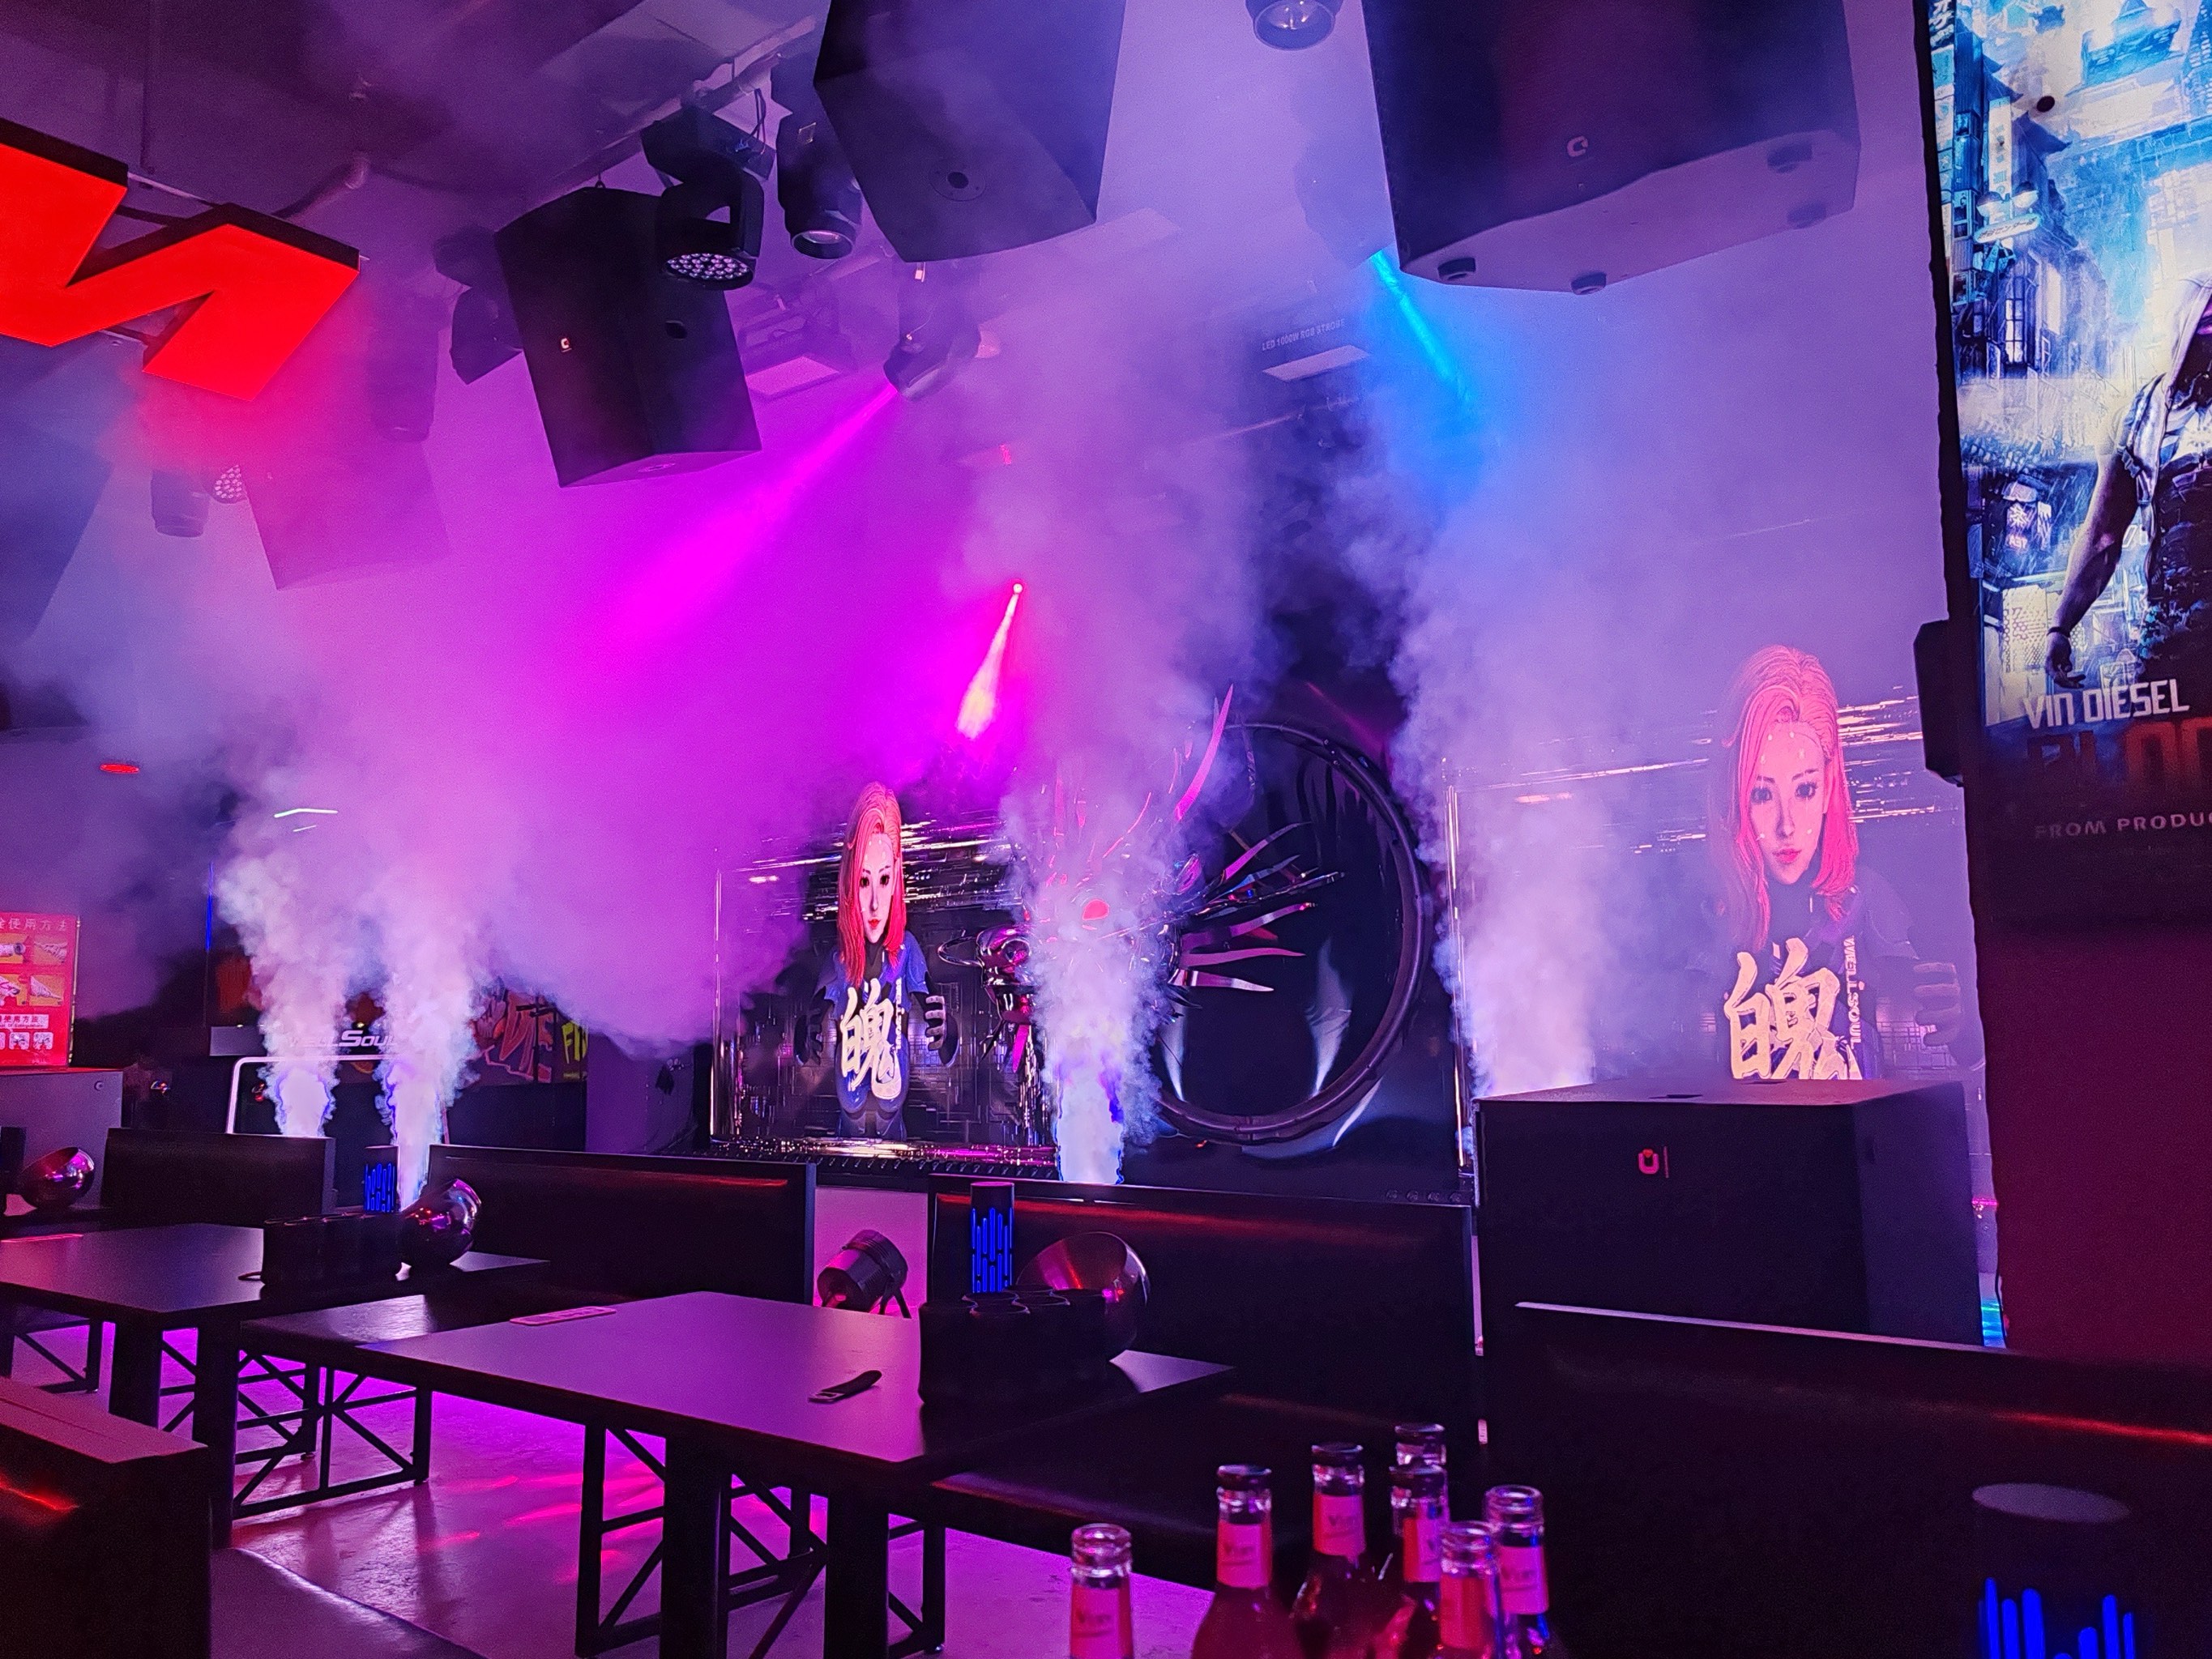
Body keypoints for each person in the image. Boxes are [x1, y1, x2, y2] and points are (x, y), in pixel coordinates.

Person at [1705, 646, 1977, 1081]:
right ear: (1736, 797)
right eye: (1762, 794)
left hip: (1853, 1118)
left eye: (1805, 790)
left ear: (1828, 788)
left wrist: (1962, 1024)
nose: (1787, 825)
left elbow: (1945, 1029)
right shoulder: (1714, 912)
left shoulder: (1863, 896)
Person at [2047, 279, 2212, 693]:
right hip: (2174, 636)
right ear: (2182, 327)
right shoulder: (2137, 419)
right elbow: (2102, 535)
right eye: (2205, 326)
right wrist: (2060, 626)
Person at [819, 783, 946, 1140]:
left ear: (896, 879)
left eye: (884, 879)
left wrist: (946, 1030)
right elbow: (809, 1028)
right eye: (863, 881)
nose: (875, 903)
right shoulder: (839, 959)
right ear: (849, 883)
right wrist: (806, 1031)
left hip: (891, 1118)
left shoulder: (906, 951)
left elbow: (939, 1024)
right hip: (848, 1124)